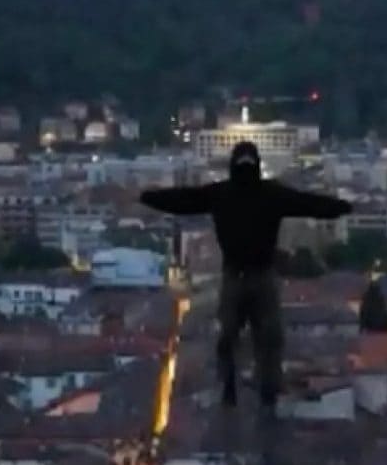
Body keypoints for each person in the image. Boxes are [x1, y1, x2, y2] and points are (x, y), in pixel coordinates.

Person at [140, 141, 352, 415]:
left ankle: (239, 388)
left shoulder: (223, 194)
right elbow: (309, 203)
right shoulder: (267, 194)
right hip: (257, 276)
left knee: (238, 336)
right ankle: (260, 390)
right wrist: (341, 207)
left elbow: (182, 200)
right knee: (261, 337)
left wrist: (149, 198)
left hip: (242, 276)